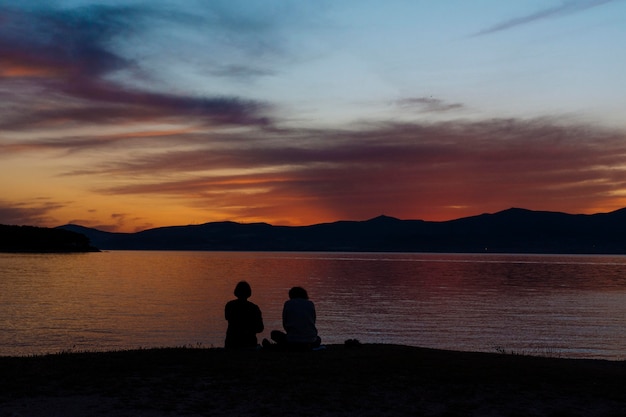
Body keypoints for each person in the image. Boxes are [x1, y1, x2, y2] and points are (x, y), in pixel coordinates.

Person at [269, 286, 321, 350]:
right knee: (318, 339)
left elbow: (285, 323)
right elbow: (313, 321)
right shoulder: (310, 304)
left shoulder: (288, 303)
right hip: (310, 339)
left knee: (274, 334)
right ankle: (306, 346)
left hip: (292, 339)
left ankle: (284, 346)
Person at [224, 281, 264, 349]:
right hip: (249, 343)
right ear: (249, 293)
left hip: (231, 342)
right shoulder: (254, 308)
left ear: (236, 292)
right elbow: (260, 328)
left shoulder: (229, 305)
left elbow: (227, 318)